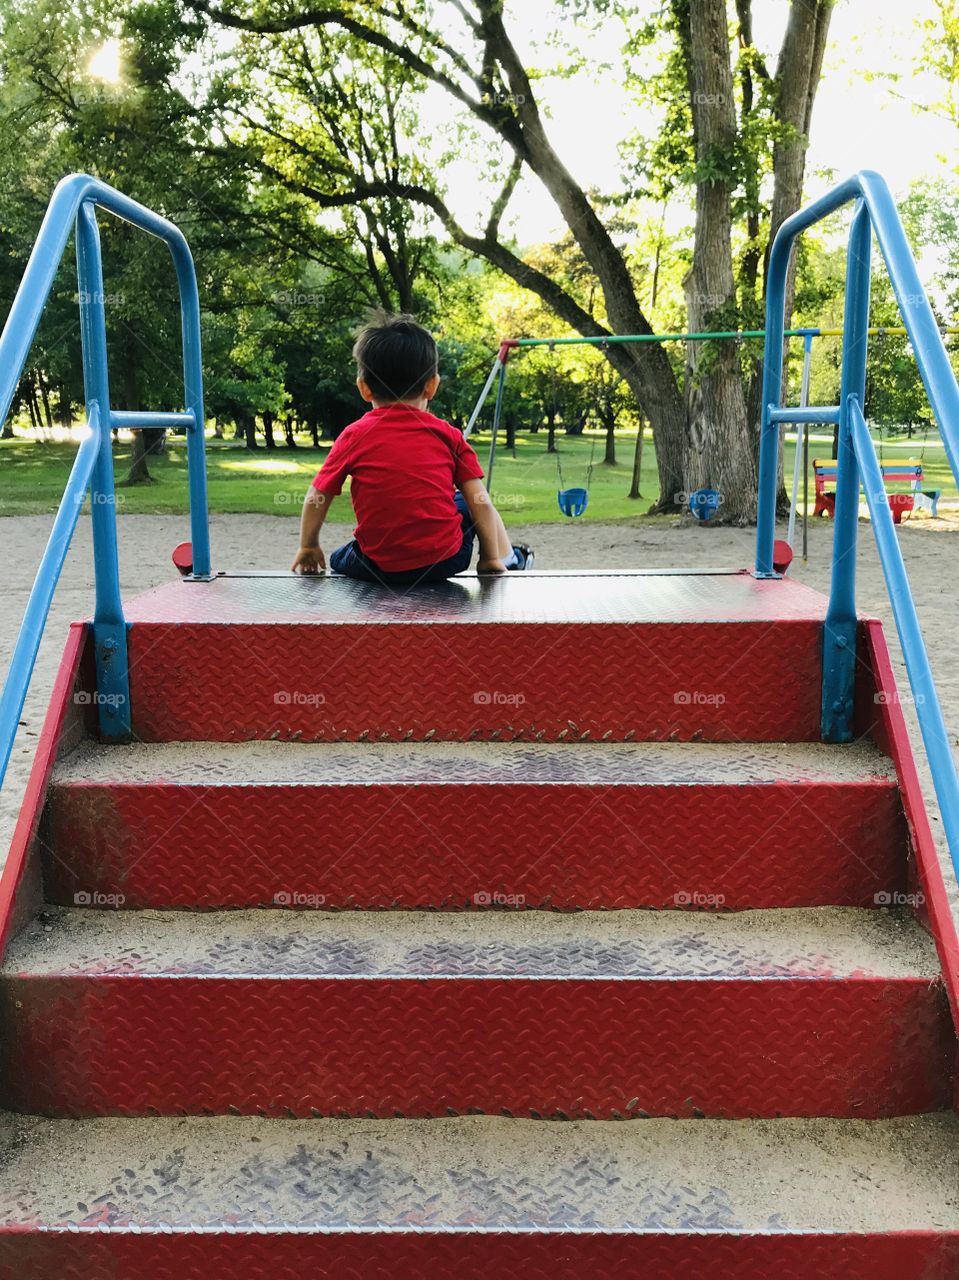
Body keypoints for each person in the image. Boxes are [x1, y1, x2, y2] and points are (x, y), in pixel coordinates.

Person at [291, 312, 533, 585]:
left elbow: (317, 495)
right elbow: (481, 502)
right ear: (432, 386)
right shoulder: (449, 436)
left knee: (338, 559)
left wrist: (309, 547)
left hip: (377, 566)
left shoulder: (353, 436)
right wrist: (488, 559)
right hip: (446, 561)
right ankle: (507, 556)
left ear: (363, 388)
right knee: (466, 499)